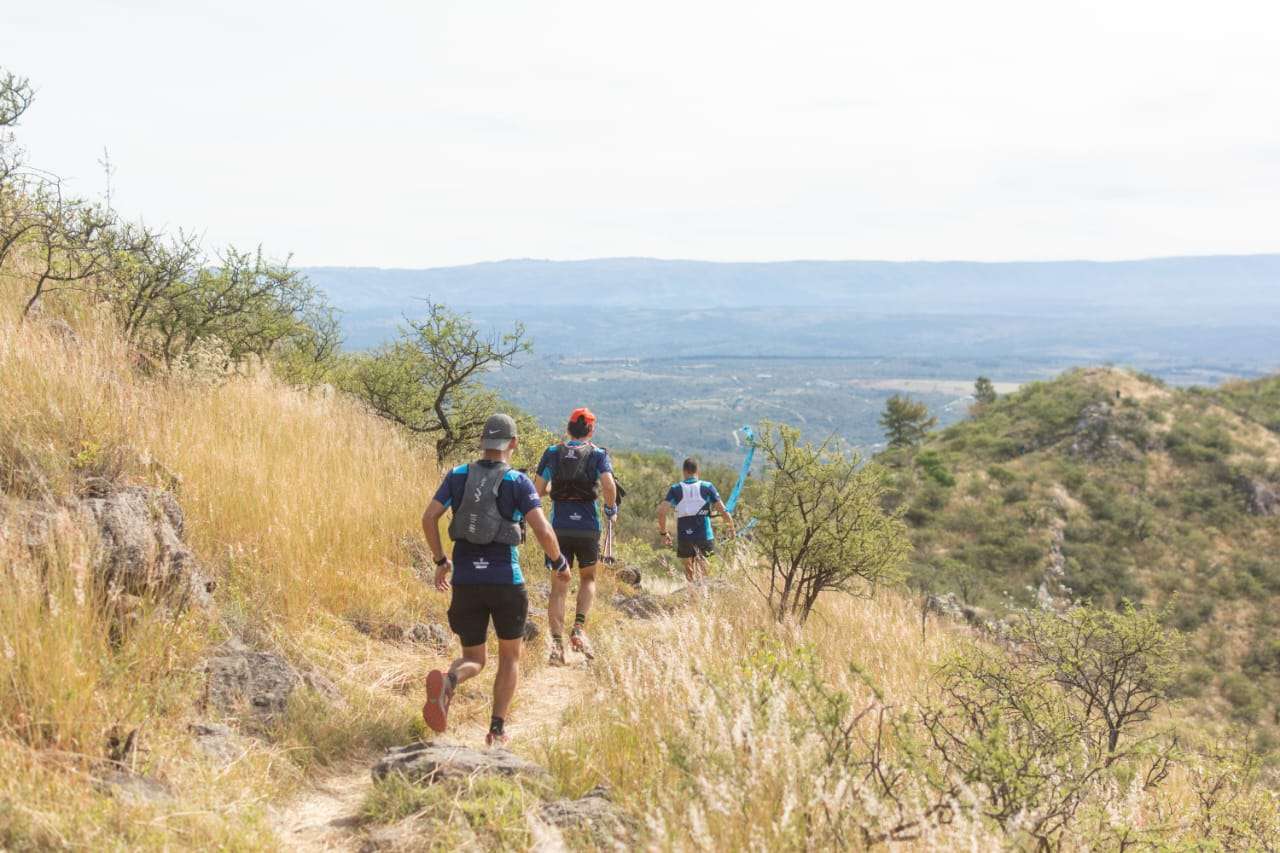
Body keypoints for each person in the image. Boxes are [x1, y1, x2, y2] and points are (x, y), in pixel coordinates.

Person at [420, 413, 569, 747]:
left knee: (474, 658)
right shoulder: (518, 481)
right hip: (505, 582)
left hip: (466, 581)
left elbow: (429, 517)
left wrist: (441, 561)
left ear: (482, 442)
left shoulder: (457, 475)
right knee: (509, 657)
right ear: (512, 443)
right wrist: (559, 563)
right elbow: (542, 530)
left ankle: (449, 680)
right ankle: (497, 730)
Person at [534, 407, 618, 665]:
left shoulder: (552, 453)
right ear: (591, 431)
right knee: (588, 578)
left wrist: (554, 490)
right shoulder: (598, 454)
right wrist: (610, 509)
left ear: (568, 428)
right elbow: (608, 485)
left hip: (558, 527)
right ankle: (578, 629)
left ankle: (557, 647)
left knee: (559, 584)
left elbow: (537, 490)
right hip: (588, 527)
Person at [658, 457, 735, 584]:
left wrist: (663, 533)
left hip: (685, 536)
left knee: (689, 572)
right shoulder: (707, 486)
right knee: (704, 574)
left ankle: (692, 593)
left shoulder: (676, 489)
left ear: (684, 471)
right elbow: (723, 511)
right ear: (697, 471)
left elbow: (661, 512)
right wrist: (731, 528)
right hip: (704, 536)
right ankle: (703, 594)